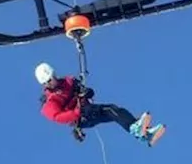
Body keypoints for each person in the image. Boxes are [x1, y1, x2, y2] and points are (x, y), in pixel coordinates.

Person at [35, 62, 166, 146]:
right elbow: (58, 117)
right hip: (82, 116)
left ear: (54, 74)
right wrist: (76, 113)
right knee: (109, 110)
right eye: (46, 82)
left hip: (86, 109)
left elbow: (85, 91)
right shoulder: (50, 101)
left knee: (115, 110)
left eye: (50, 79)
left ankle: (143, 134)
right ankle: (136, 129)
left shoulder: (68, 82)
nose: (50, 83)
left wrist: (86, 92)